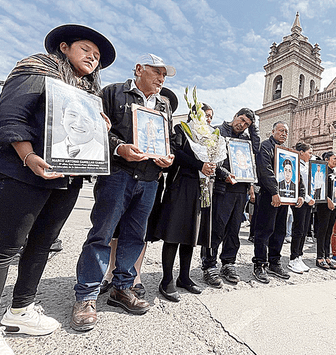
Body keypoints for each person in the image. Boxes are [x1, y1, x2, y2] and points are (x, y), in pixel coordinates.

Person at [0, 24, 115, 355]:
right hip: (24, 170)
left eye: (98, 57)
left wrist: (98, 127)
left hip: (67, 176)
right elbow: (11, 114)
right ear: (64, 46)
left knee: (42, 244)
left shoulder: (87, 91)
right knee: (4, 246)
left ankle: (20, 310)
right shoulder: (36, 67)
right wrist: (28, 155)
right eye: (86, 49)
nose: (92, 58)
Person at [72, 53, 176, 331]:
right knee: (102, 234)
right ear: (139, 69)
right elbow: (96, 128)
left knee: (135, 235)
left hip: (150, 179)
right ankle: (86, 295)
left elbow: (167, 140)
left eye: (165, 75)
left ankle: (122, 287)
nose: (161, 79)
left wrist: (168, 157)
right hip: (119, 174)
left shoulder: (164, 105)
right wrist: (120, 148)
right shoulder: (112, 92)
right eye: (157, 72)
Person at [149, 103, 214, 302]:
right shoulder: (181, 130)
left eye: (211, 116)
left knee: (191, 235)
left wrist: (212, 166)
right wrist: (200, 165)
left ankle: (184, 277)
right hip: (180, 185)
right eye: (206, 115)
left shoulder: (210, 137)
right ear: (194, 115)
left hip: (201, 188)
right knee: (174, 233)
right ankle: (166, 279)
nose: (209, 119)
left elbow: (214, 158)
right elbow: (176, 153)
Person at [201, 108, 259, 288]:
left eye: (247, 124)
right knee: (216, 227)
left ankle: (228, 263)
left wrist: (254, 128)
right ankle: (209, 265)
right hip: (222, 187)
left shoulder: (246, 139)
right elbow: (210, 158)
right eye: (241, 120)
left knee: (234, 229)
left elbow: (255, 150)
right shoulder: (218, 131)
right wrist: (223, 173)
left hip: (240, 188)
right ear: (235, 116)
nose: (242, 125)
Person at [252, 121, 303, 283]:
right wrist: (274, 192)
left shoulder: (288, 152)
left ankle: (274, 261)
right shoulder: (266, 146)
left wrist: (299, 194)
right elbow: (264, 170)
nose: (284, 134)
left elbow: (296, 174)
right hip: (269, 195)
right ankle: (259, 263)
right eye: (281, 130)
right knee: (264, 230)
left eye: (286, 132)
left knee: (280, 230)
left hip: (286, 198)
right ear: (273, 131)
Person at [287, 142, 316, 273]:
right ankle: (293, 259)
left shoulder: (308, 165)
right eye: (309, 152)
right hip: (300, 200)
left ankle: (299, 256)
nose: (311, 155)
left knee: (304, 230)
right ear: (301, 152)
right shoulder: (296, 165)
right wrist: (308, 198)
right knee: (298, 229)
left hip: (308, 201)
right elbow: (299, 184)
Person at [313, 151, 336, 270]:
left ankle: (327, 256)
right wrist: (327, 199)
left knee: (329, 231)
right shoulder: (323, 171)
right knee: (322, 231)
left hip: (334, 206)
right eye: (334, 158)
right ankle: (319, 257)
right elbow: (319, 187)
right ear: (327, 159)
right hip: (324, 205)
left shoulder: (334, 172)